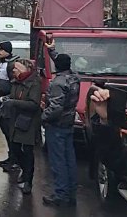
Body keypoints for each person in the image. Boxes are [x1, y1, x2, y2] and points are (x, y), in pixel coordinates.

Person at [41, 53, 80, 207]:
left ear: (56, 66)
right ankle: (71, 193)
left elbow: (56, 108)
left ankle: (61, 194)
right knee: (70, 159)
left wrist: (43, 116)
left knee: (58, 161)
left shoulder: (58, 83)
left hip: (56, 124)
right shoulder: (74, 78)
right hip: (69, 122)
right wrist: (52, 52)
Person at [0, 60, 41, 194]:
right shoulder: (16, 82)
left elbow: (34, 104)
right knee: (15, 148)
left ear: (24, 68)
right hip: (15, 120)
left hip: (28, 122)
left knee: (27, 151)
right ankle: (25, 171)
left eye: (16, 68)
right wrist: (7, 99)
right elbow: (14, 97)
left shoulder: (34, 83)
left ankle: (28, 180)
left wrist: (13, 102)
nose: (13, 71)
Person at [0, 41, 19, 170]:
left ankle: (15, 159)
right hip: (0, 100)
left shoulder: (11, 64)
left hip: (7, 102)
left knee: (10, 131)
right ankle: (11, 156)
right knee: (5, 130)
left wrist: (7, 97)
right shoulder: (1, 63)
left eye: (2, 50)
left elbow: (14, 84)